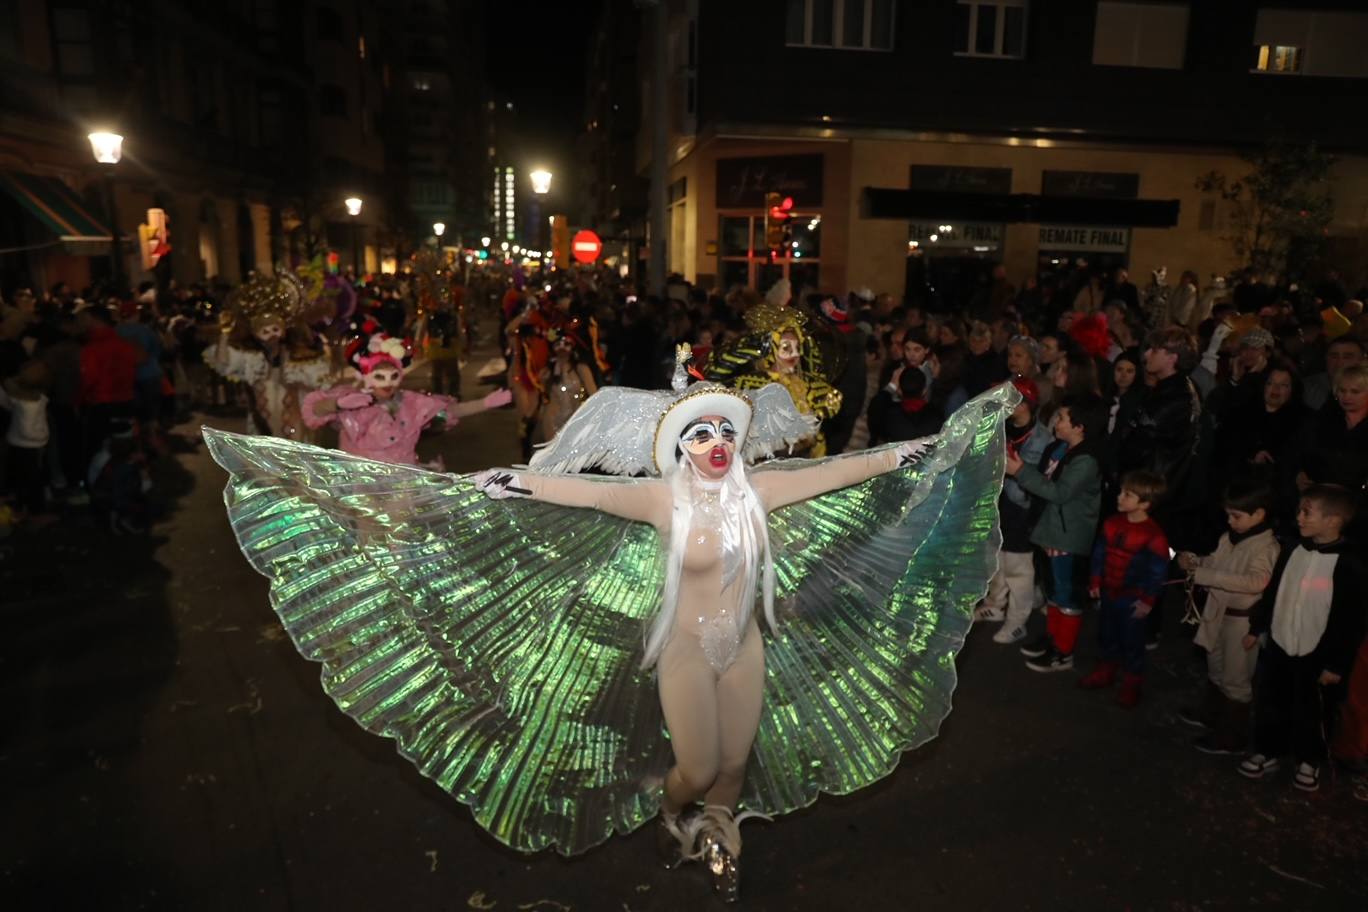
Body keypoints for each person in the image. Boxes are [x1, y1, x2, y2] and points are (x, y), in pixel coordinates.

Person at [203, 348, 1016, 900]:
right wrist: (507, 484)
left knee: (736, 763)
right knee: (695, 766)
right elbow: (586, 491)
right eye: (699, 434)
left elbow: (844, 468)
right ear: (679, 452)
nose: (716, 442)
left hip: (747, 648)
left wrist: (917, 452)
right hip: (686, 656)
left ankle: (724, 831)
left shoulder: (759, 494)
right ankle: (675, 814)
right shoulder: (661, 500)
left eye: (724, 430)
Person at [1240, 486, 1366, 792]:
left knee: (1313, 709)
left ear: (1334, 520)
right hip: (1282, 641)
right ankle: (1269, 749)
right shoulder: (1292, 549)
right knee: (1272, 699)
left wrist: (1337, 663)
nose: (1299, 517)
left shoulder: (1351, 564)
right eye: (1299, 510)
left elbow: (1352, 619)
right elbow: (1273, 592)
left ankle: (1309, 759)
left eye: (1307, 511)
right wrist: (1258, 627)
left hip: (1319, 653)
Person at [302, 323, 511, 467]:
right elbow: (313, 411)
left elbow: (448, 411)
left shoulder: (411, 403)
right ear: (367, 376)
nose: (388, 383)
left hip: (402, 484)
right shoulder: (351, 400)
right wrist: (338, 404)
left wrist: (485, 403)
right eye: (380, 377)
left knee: (399, 530)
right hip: (362, 486)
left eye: (393, 376)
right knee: (369, 531)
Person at [1175, 480, 1280, 754]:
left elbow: (1257, 582)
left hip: (1240, 621)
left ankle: (1233, 736)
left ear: (1259, 514)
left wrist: (1207, 575)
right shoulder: (1230, 537)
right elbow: (1216, 561)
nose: (1230, 521)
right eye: (1228, 515)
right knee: (1216, 666)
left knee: (1236, 678)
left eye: (1236, 516)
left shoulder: (1266, 547)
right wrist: (1197, 562)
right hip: (1217, 613)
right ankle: (1212, 714)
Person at [1008, 394, 1107, 672]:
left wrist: (1019, 471)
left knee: (1066, 596)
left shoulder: (1086, 460)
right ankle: (1054, 639)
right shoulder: (1061, 448)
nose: (1056, 421)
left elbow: (1059, 493)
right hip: (1051, 530)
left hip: (1067, 536)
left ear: (1080, 427)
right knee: (1053, 591)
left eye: (1062, 418)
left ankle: (1064, 652)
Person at [1077, 471, 1169, 706]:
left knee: (1132, 641)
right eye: (1121, 492)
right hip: (1109, 593)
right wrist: (1095, 581)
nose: (1119, 497)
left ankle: (1132, 683)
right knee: (1107, 634)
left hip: (1132, 599)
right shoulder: (1111, 523)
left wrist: (1148, 600)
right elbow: (1099, 554)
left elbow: (1157, 572)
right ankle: (1106, 670)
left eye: (1127, 495)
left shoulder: (1154, 535)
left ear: (1145, 504)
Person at [978, 378, 1048, 644]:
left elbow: (1023, 487)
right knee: (996, 561)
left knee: (1019, 570)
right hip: (1000, 508)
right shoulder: (1003, 428)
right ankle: (995, 605)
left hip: (1021, 511)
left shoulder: (1040, 438)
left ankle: (1017, 621)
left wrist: (1004, 469)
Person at [0, 360, 52, 521]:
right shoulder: (33, 403)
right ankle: (36, 511)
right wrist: (43, 436)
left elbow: (5, 403)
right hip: (31, 446)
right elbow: (28, 430)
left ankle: (19, 506)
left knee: (20, 477)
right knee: (33, 480)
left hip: (15, 441)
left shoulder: (17, 397)